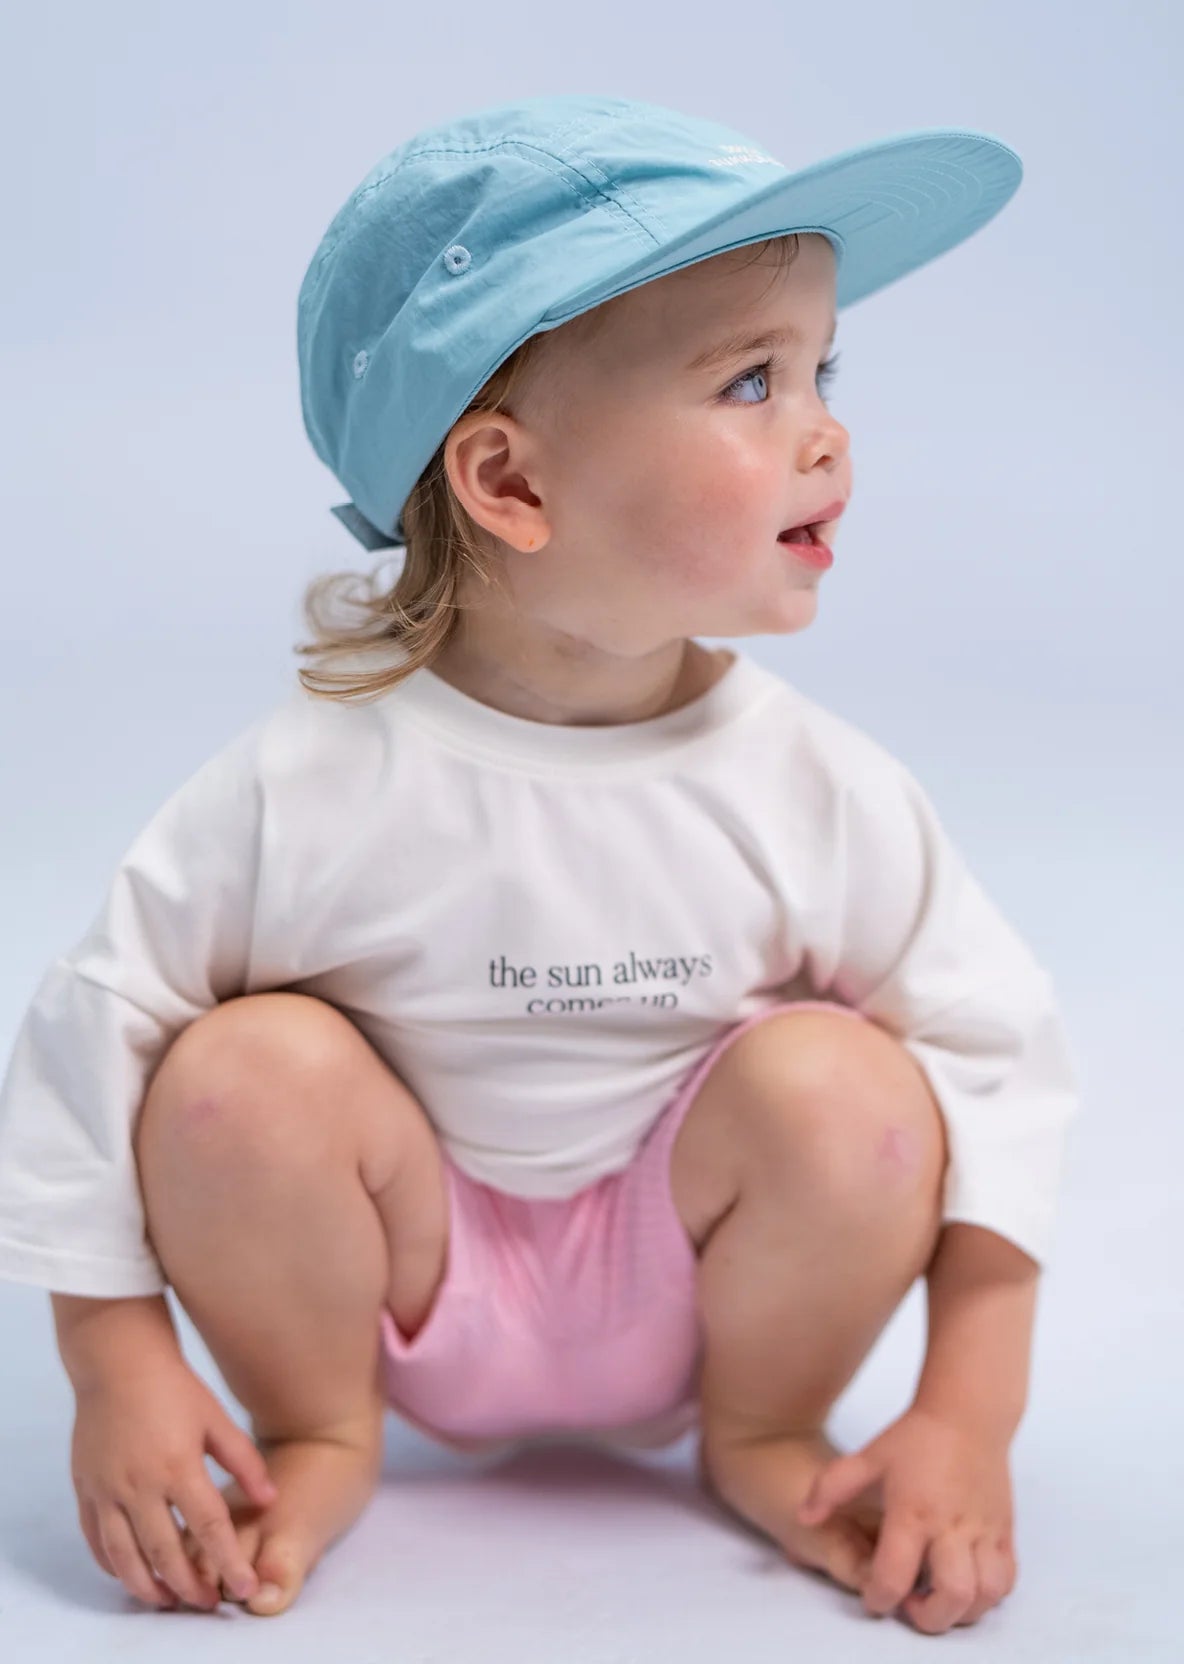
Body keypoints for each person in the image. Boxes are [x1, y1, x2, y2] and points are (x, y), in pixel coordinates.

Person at [0, 95, 1081, 1635]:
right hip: (393, 1281)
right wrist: (117, 1367)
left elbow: (1000, 1065)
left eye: (820, 371)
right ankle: (322, 1430)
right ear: (509, 483)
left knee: (853, 1089)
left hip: (704, 1288)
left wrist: (969, 1418)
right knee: (237, 1069)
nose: (827, 433)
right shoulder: (316, 786)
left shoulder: (812, 788)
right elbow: (86, 1037)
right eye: (754, 381)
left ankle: (765, 1432)